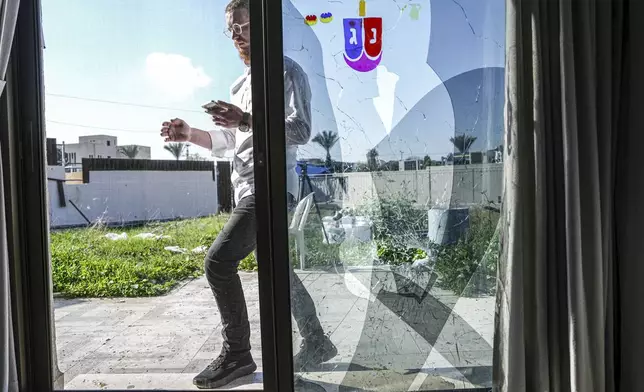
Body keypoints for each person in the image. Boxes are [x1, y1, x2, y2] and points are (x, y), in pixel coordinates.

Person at [159, 0, 336, 389]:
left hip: (269, 187)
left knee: (218, 263)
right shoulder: (240, 84)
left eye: (242, 25)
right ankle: (317, 340)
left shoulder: (287, 71)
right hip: (246, 188)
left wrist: (247, 119)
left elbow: (301, 129)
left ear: (262, 25)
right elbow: (229, 141)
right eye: (231, 28)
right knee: (279, 271)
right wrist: (190, 134)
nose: (237, 34)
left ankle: (237, 355)